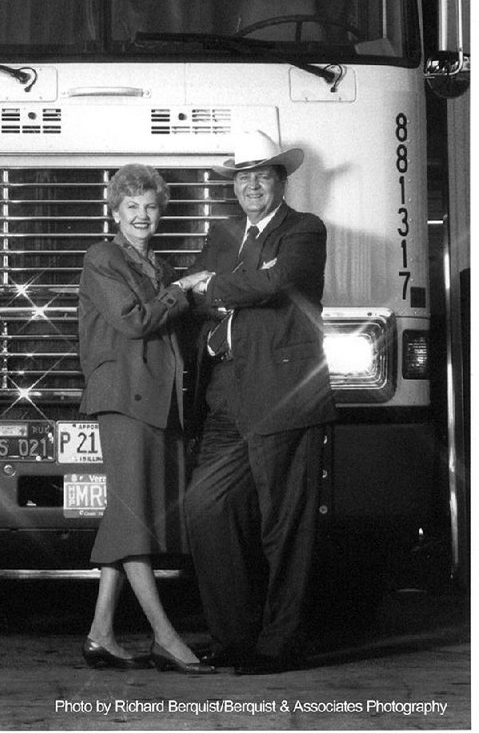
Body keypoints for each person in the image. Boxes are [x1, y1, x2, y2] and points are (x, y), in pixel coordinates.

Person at [184, 131, 336, 675]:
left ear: (281, 180)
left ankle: (280, 644)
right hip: (226, 396)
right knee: (207, 509)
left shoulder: (304, 230)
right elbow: (202, 296)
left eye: (262, 174)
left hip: (283, 395)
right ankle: (233, 639)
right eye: (242, 176)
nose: (250, 184)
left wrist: (214, 286)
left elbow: (274, 283)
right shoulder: (223, 235)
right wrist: (218, 285)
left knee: (284, 527)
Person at [77, 163, 214, 674]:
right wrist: (184, 290)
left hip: (154, 401)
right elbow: (134, 321)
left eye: (151, 207)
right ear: (114, 212)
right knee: (134, 516)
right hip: (125, 400)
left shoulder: (153, 265)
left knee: (128, 513)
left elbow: (169, 319)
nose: (142, 215)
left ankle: (101, 633)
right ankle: (166, 637)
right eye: (131, 207)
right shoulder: (104, 258)